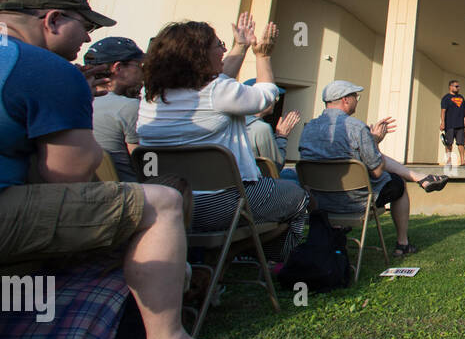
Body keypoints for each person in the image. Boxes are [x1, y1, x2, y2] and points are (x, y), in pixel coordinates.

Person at [0, 0, 237, 339]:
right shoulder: (42, 67)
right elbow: (66, 179)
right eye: (85, 25)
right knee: (161, 201)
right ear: (52, 20)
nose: (87, 38)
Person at [137, 18, 309, 261]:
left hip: (165, 202)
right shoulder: (218, 91)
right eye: (218, 45)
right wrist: (263, 56)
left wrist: (241, 46)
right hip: (219, 206)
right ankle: (258, 259)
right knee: (297, 195)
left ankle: (220, 259)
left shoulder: (151, 96)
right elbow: (267, 97)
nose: (224, 50)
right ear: (198, 54)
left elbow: (215, 86)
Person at [298, 80, 447, 258]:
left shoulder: (308, 129)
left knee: (379, 166)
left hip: (318, 202)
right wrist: (374, 142)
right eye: (356, 97)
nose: (357, 100)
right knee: (397, 184)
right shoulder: (356, 128)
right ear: (345, 100)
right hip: (354, 202)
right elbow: (376, 171)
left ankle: (420, 177)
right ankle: (403, 243)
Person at [83, 36, 145, 182]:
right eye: (138, 64)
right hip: (130, 193)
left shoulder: (76, 102)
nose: (142, 70)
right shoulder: (128, 107)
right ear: (118, 68)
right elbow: (146, 165)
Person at [242, 79, 300, 168]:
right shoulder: (261, 128)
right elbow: (275, 168)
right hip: (254, 180)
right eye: (275, 98)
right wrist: (281, 136)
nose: (276, 102)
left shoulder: (234, 122)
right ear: (263, 98)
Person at [439, 79, 465, 166]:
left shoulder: (461, 97)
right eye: (456, 86)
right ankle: (449, 160)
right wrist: (442, 123)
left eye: (458, 86)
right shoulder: (446, 98)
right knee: (449, 143)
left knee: (461, 143)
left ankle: (462, 160)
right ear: (450, 87)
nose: (458, 88)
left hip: (460, 124)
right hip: (449, 124)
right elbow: (443, 111)